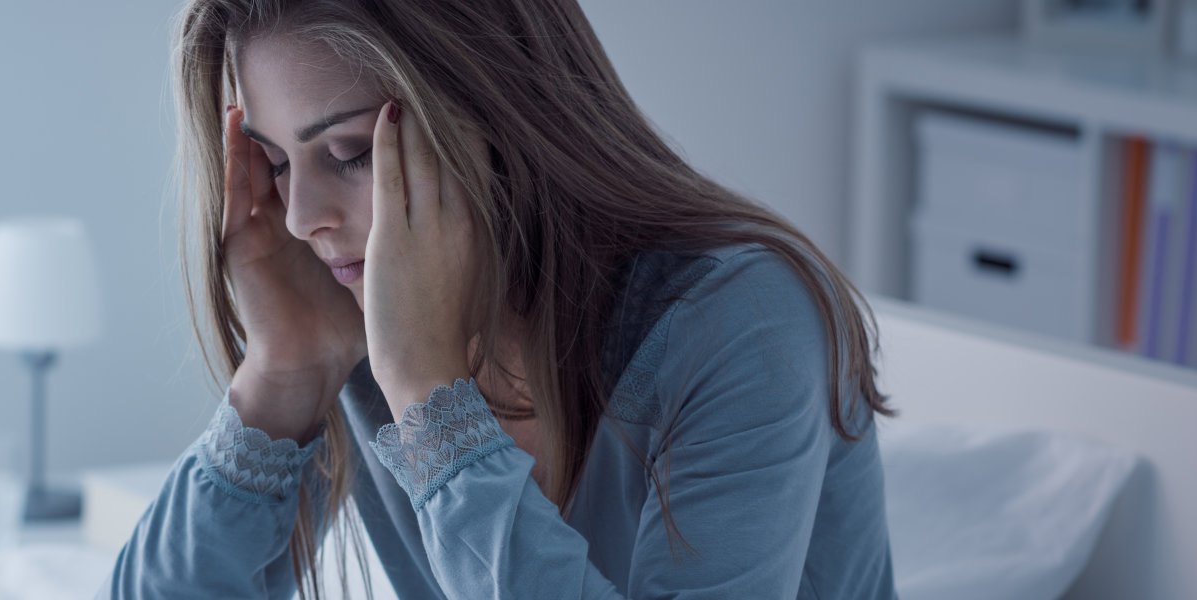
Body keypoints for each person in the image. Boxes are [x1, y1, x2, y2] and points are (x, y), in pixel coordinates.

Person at [95, 0, 898, 598]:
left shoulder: (743, 323)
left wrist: (434, 407)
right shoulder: (359, 321)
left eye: (347, 154)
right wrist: (284, 375)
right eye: (274, 163)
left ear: (502, 123)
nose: (302, 219)